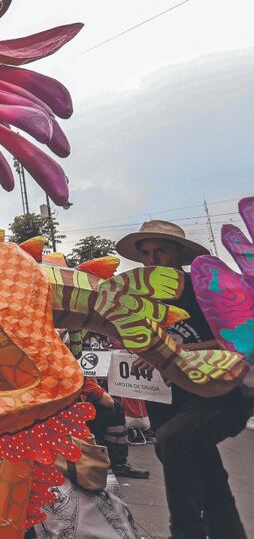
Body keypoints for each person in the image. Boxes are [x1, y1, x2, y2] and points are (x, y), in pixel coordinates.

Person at [116, 220, 253, 538]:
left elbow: (238, 340)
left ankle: (185, 531)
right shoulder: (142, 298)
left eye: (160, 251)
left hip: (219, 394)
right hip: (167, 397)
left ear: (180, 253)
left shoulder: (205, 289)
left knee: (175, 440)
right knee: (201, 468)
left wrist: (170, 352)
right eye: (146, 253)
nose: (152, 260)